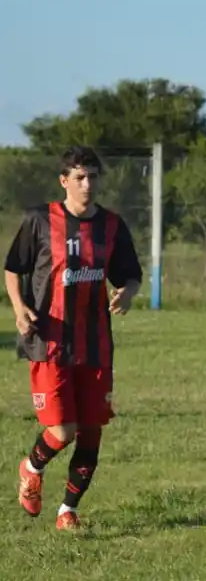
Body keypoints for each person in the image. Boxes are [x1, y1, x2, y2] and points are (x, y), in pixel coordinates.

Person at [6, 146, 141, 530]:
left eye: (93, 177)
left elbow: (130, 274)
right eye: (80, 177)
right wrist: (19, 308)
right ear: (64, 181)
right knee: (63, 430)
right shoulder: (40, 220)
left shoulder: (111, 226)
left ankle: (67, 511)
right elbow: (13, 268)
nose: (87, 184)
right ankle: (32, 468)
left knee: (91, 432)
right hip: (50, 343)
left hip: (95, 346)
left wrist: (128, 293)